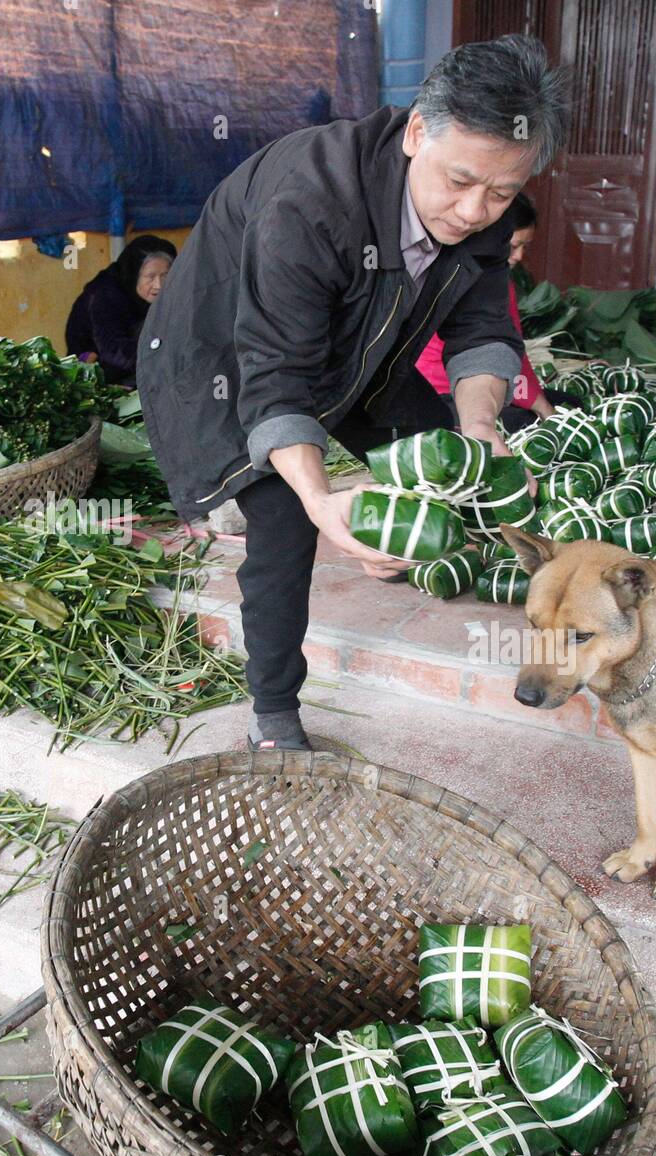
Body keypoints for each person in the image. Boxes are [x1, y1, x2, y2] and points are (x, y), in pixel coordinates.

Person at [137, 35, 571, 751]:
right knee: (285, 517)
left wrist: (482, 428)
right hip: (228, 355)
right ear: (417, 132)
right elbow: (277, 377)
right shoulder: (310, 200)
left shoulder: (486, 205)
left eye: (500, 193)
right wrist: (321, 502)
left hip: (359, 344)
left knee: (447, 458)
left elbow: (484, 330)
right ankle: (273, 715)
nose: (473, 211)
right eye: (459, 182)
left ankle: (397, 544)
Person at [415, 190, 579, 431]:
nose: (519, 256)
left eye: (525, 246)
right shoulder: (487, 282)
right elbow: (509, 354)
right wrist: (545, 411)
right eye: (513, 246)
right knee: (526, 421)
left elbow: (507, 350)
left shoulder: (473, 272)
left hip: (469, 385)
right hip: (447, 394)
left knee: (566, 404)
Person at [65, 235, 176, 385]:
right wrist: (166, 360)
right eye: (150, 276)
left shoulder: (167, 292)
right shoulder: (104, 295)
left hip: (136, 361)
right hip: (95, 370)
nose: (159, 285)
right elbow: (113, 350)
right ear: (133, 274)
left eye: (165, 275)